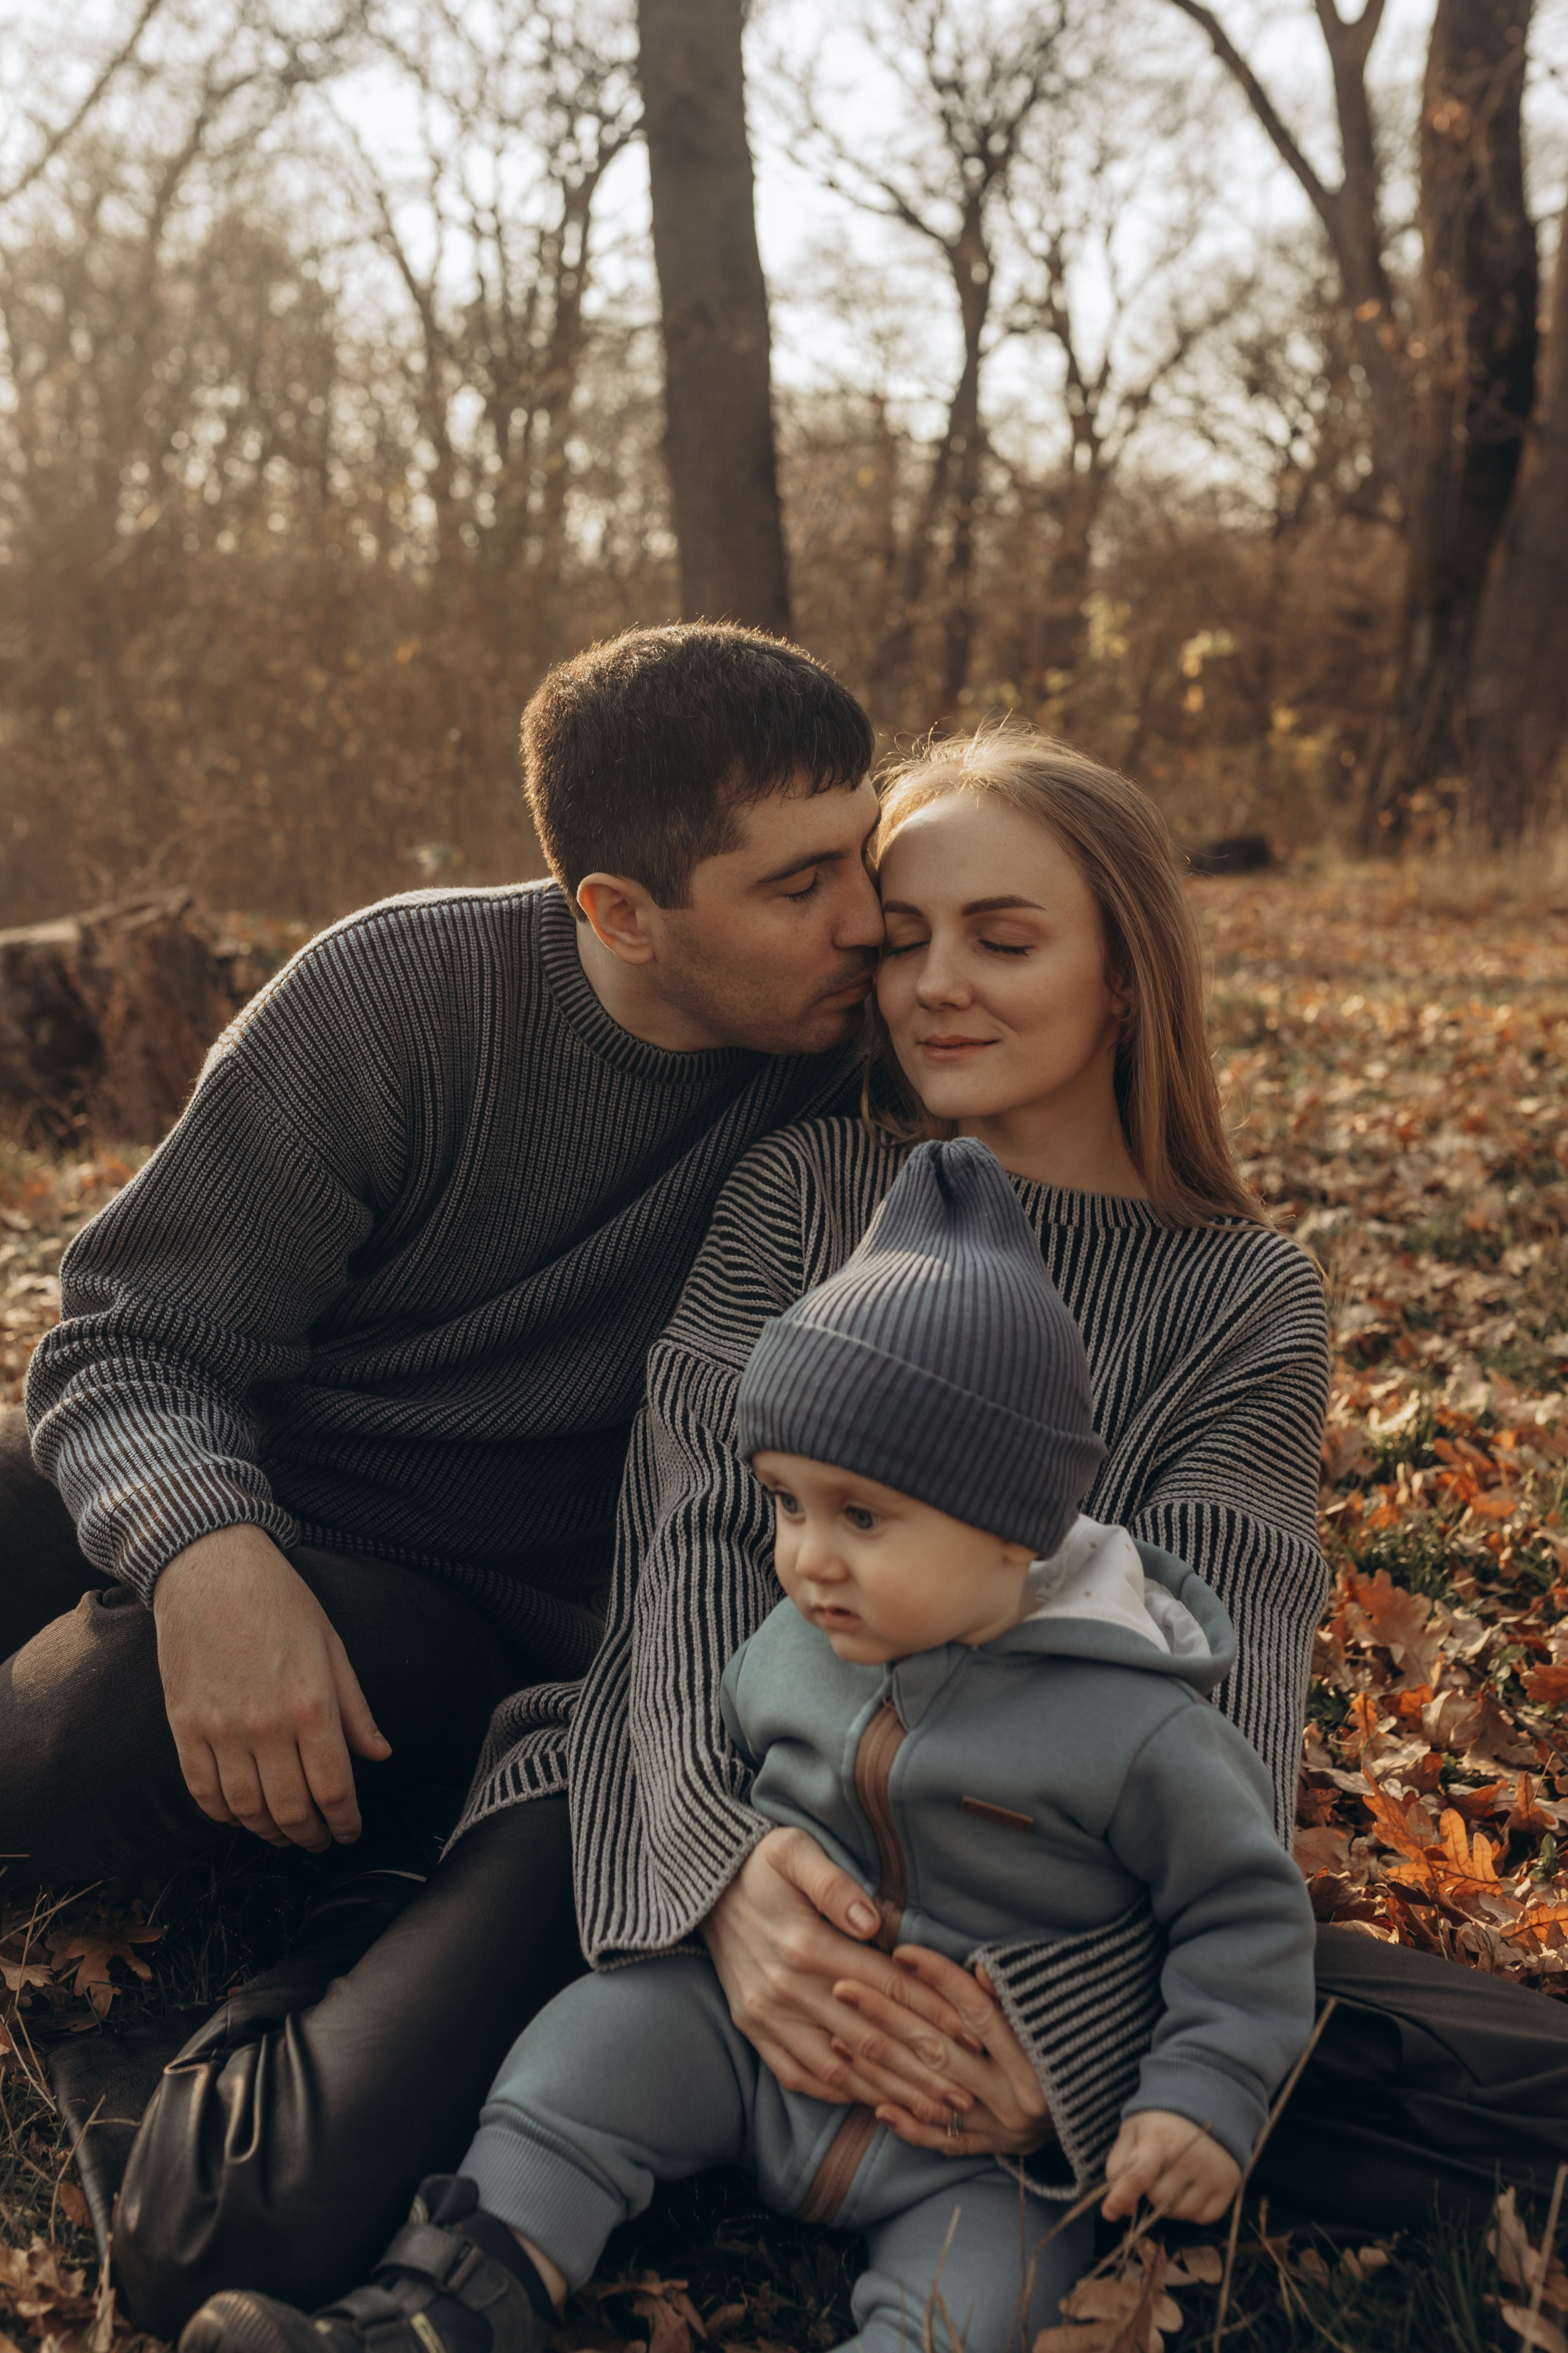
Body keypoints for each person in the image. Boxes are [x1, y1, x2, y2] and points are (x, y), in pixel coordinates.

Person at [1, 622, 884, 2322]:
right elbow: (130, 1337)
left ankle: (263, 1903)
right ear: (620, 911)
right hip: (245, 1467)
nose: (867, 917)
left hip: (460, 1607)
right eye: (798, 885)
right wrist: (206, 1553)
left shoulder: (859, 1064)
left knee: (67, 1747)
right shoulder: (401, 997)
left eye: (864, 851)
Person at [178, 1138, 1316, 2353]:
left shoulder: (1137, 1723)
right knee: (588, 2049)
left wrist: (1196, 2097)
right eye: (785, 1501)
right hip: (744, 2041)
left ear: (1013, 1526)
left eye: (861, 1515)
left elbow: (1242, 1914)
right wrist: (711, 1887)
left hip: (970, 2129)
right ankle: (460, 2292)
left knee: (986, 2292)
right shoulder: (788, 1644)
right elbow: (674, 1756)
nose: (807, 1556)